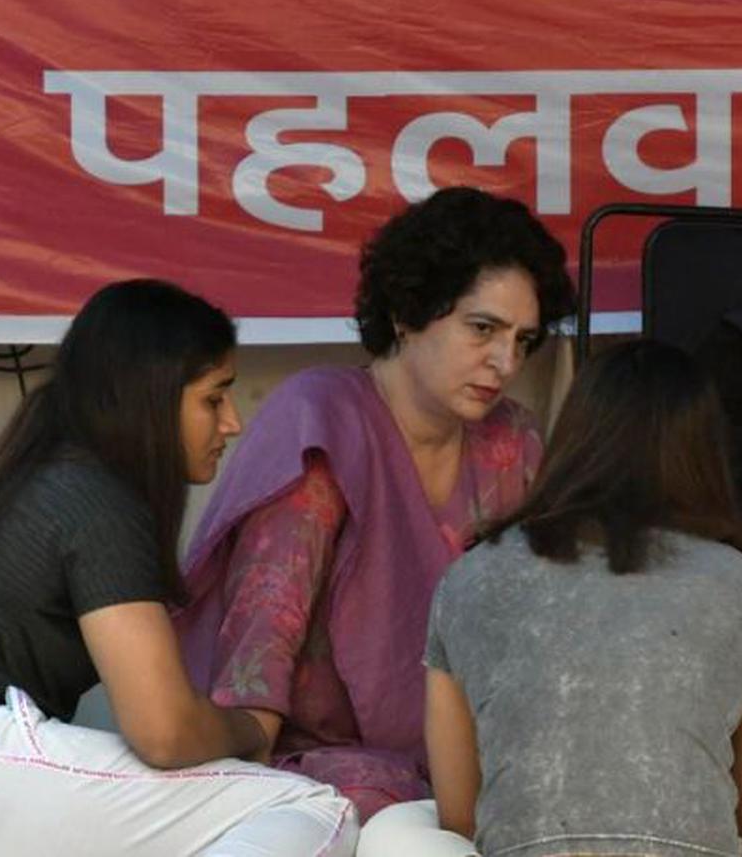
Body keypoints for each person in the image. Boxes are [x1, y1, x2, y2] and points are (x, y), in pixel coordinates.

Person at [359, 339, 742, 857]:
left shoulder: (469, 580)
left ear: (573, 438)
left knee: (396, 828)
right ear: (705, 452)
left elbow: (461, 817)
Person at [0, 280, 358, 856]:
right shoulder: (96, 498)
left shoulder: (42, 473)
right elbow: (163, 731)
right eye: (214, 397)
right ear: (151, 396)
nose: (232, 423)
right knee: (311, 806)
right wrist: (249, 726)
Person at [175, 186, 577, 822]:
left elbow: (537, 632)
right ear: (407, 313)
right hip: (313, 772)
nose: (504, 362)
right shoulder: (322, 423)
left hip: (471, 766)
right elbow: (259, 647)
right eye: (483, 329)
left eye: (524, 341)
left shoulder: (514, 439)